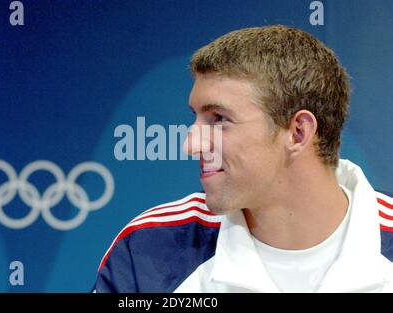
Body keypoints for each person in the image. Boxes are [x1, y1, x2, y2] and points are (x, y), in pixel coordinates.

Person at [94, 25, 393, 292]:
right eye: (196, 118)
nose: (190, 144)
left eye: (219, 119)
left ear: (298, 133)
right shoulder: (149, 248)